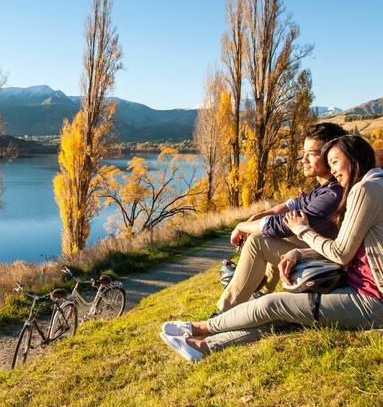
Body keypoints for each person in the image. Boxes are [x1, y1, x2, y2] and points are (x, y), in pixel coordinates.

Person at [160, 134, 383, 363]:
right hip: (360, 289)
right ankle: (202, 346)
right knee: (286, 316)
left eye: (335, 161)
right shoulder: (371, 186)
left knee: (273, 304)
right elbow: (345, 247)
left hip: (371, 299)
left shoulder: (365, 189)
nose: (333, 170)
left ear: (355, 159)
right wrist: (297, 252)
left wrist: (301, 229)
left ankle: (199, 328)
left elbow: (341, 253)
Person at [217, 122, 347, 312]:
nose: (304, 159)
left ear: (331, 156)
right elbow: (289, 206)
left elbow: (280, 225)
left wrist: (242, 226)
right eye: (304, 152)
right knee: (270, 233)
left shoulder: (332, 195)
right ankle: (261, 292)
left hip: (328, 266)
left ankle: (224, 312)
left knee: (257, 242)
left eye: (312, 153)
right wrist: (258, 215)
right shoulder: (324, 188)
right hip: (319, 254)